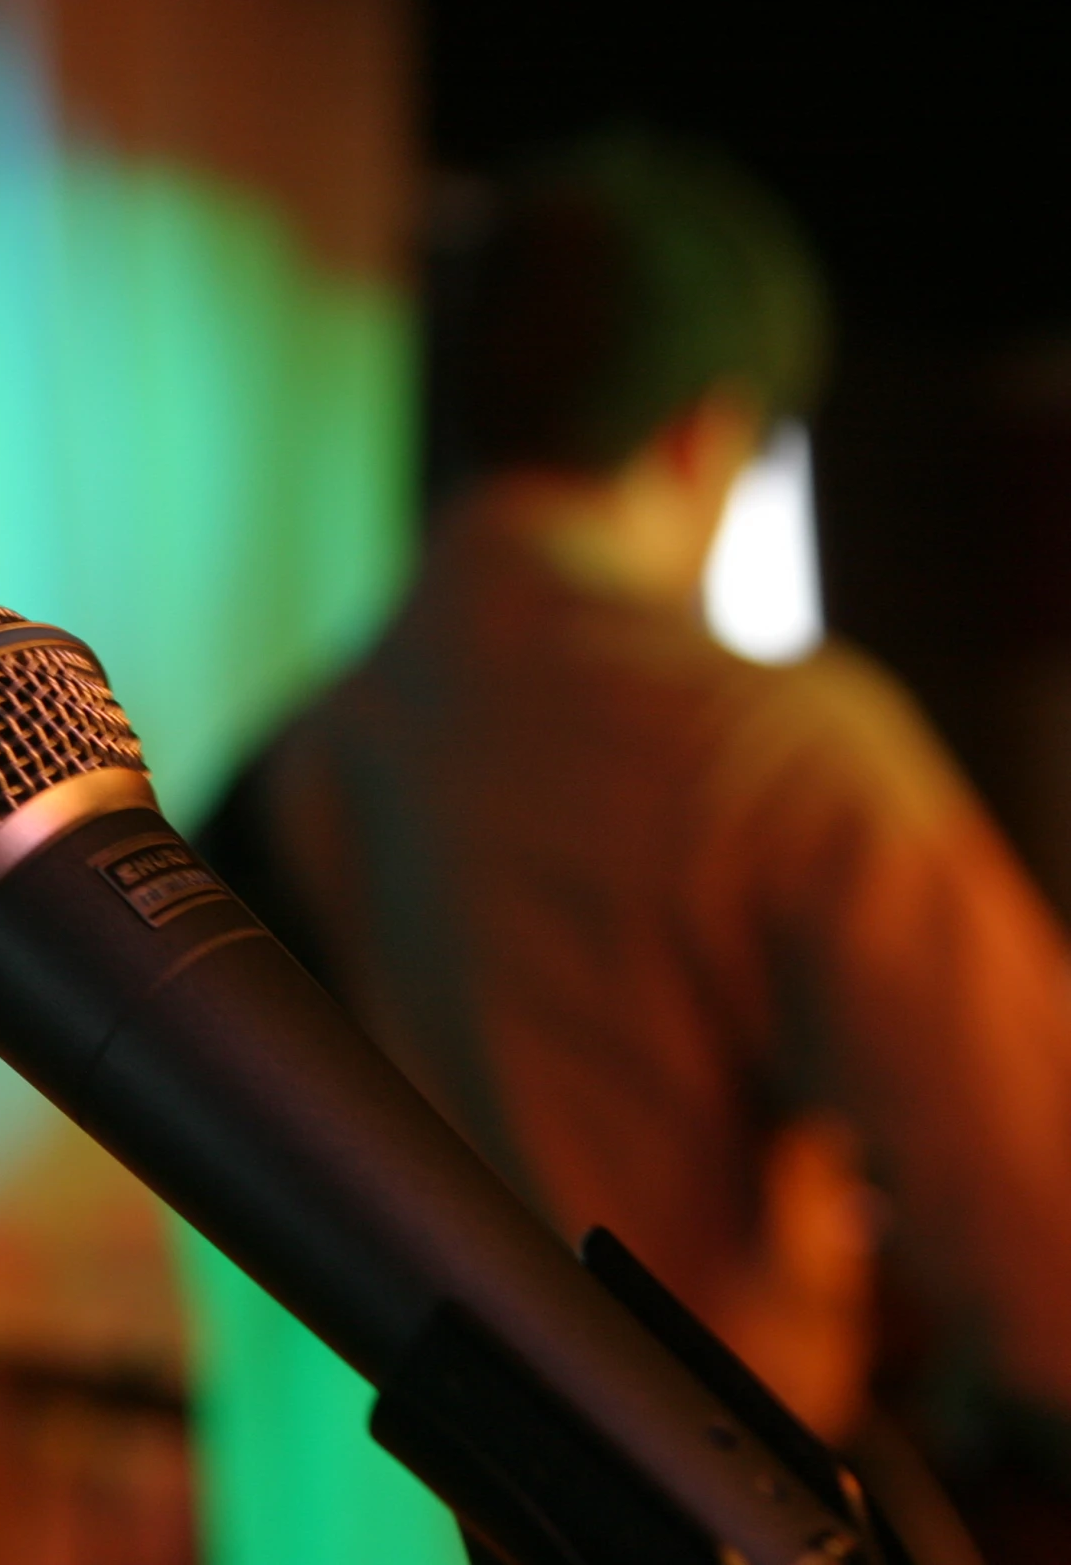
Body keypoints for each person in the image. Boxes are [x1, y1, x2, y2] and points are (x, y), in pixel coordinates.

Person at [197, 134, 1071, 1551]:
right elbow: (1043, 1254)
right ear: (697, 433)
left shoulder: (293, 763)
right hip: (702, 1521)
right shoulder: (778, 752)